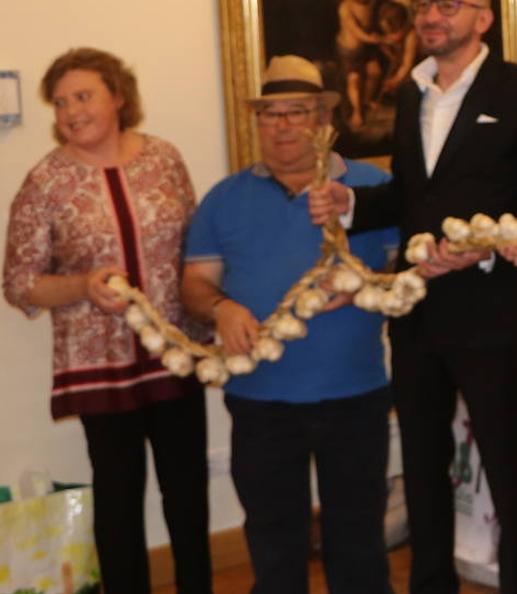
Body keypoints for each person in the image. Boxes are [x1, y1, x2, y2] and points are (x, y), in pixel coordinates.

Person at [308, 0, 517, 594]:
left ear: (482, 19)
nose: (430, 16)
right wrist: (352, 201)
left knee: (507, 468)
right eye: (425, 4)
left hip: (489, 313)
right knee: (424, 469)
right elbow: (411, 199)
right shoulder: (410, 93)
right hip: (417, 311)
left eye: (446, 5)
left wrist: (489, 245)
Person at [181, 55, 397, 593]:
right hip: (261, 400)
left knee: (358, 542)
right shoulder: (225, 199)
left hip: (355, 395)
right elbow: (194, 284)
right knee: (274, 543)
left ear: (324, 122)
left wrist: (362, 283)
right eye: (269, 114)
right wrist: (222, 308)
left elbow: (409, 271)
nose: (281, 125)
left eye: (295, 112)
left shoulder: (372, 187)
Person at [3, 47, 212, 594]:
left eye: (83, 95)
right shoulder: (45, 181)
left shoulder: (164, 158)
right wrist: (81, 286)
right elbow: (19, 283)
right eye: (60, 102)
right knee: (119, 500)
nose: (70, 111)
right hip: (100, 365)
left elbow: (196, 249)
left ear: (118, 96)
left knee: (188, 492)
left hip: (173, 353)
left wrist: (207, 330)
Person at [335, 0, 384, 130]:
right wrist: (371, 38)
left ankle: (366, 100)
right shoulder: (345, 8)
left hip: (367, 47)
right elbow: (355, 30)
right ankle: (356, 111)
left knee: (374, 72)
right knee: (354, 80)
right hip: (351, 50)